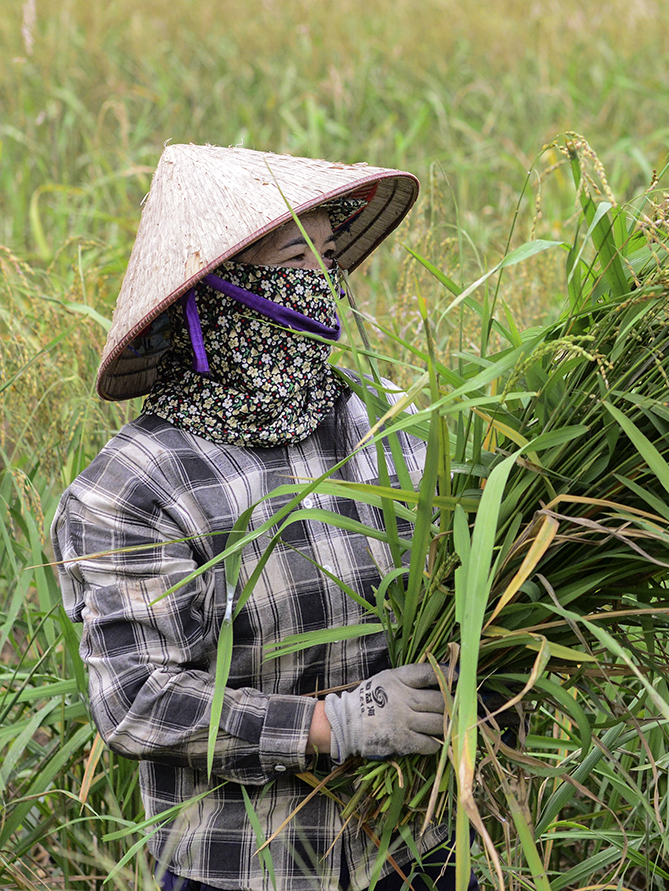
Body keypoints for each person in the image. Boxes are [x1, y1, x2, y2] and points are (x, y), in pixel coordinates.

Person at [50, 145, 470, 891]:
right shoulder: (134, 487)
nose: (324, 282)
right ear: (222, 291)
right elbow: (138, 700)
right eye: (294, 257)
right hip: (248, 867)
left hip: (413, 848)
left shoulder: (384, 422)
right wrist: (338, 724)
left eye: (329, 254)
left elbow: (454, 582)